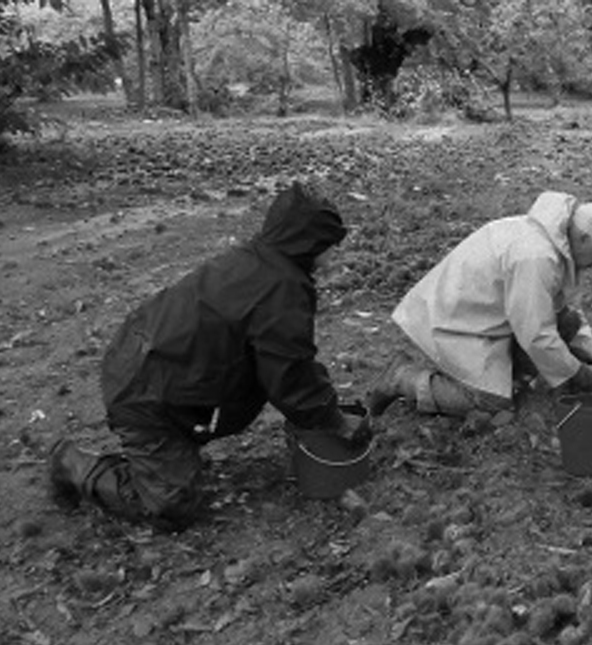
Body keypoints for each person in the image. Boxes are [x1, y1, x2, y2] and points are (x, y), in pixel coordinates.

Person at [48, 183, 370, 531]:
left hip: (151, 367)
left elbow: (289, 363)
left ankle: (171, 451)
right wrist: (333, 420)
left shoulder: (258, 261)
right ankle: (69, 463)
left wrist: (318, 410)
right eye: (331, 246)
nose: (333, 256)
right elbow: (291, 375)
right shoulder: (281, 291)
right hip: (147, 392)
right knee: (170, 507)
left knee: (179, 453)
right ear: (310, 243)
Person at [367, 191, 592, 421]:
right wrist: (578, 372)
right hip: (455, 322)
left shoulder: (551, 242)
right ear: (583, 238)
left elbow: (565, 309)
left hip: (483, 312)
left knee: (567, 321)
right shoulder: (536, 257)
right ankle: (402, 378)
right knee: (491, 404)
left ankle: (510, 376)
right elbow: (535, 332)